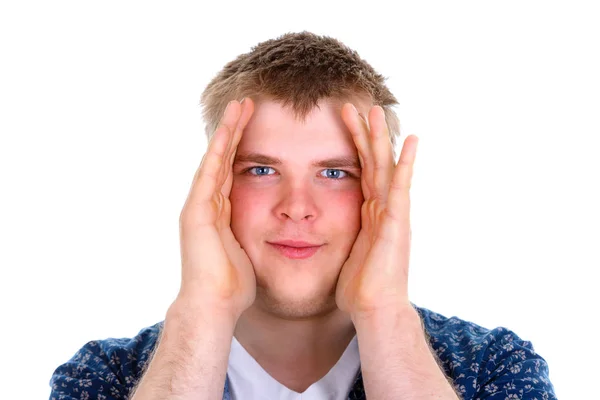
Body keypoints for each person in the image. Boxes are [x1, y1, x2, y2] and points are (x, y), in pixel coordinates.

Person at [49, 32, 556, 400]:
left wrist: (383, 311)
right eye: (262, 169)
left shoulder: (491, 367)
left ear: (381, 191)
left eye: (335, 173)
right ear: (214, 183)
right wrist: (203, 307)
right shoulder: (107, 376)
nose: (296, 206)